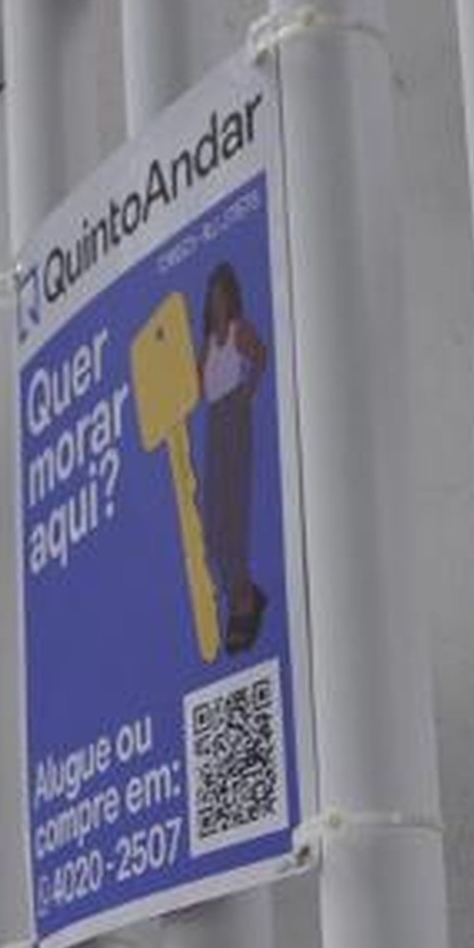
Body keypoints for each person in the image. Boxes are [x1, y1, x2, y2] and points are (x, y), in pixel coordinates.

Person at [194, 261, 273, 655]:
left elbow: (261, 355)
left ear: (231, 298)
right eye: (212, 299)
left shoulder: (240, 330)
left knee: (233, 511)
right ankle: (238, 590)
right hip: (215, 421)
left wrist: (248, 392)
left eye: (221, 297)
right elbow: (195, 386)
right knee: (212, 521)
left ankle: (243, 601)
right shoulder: (207, 342)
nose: (217, 304)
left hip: (234, 416)